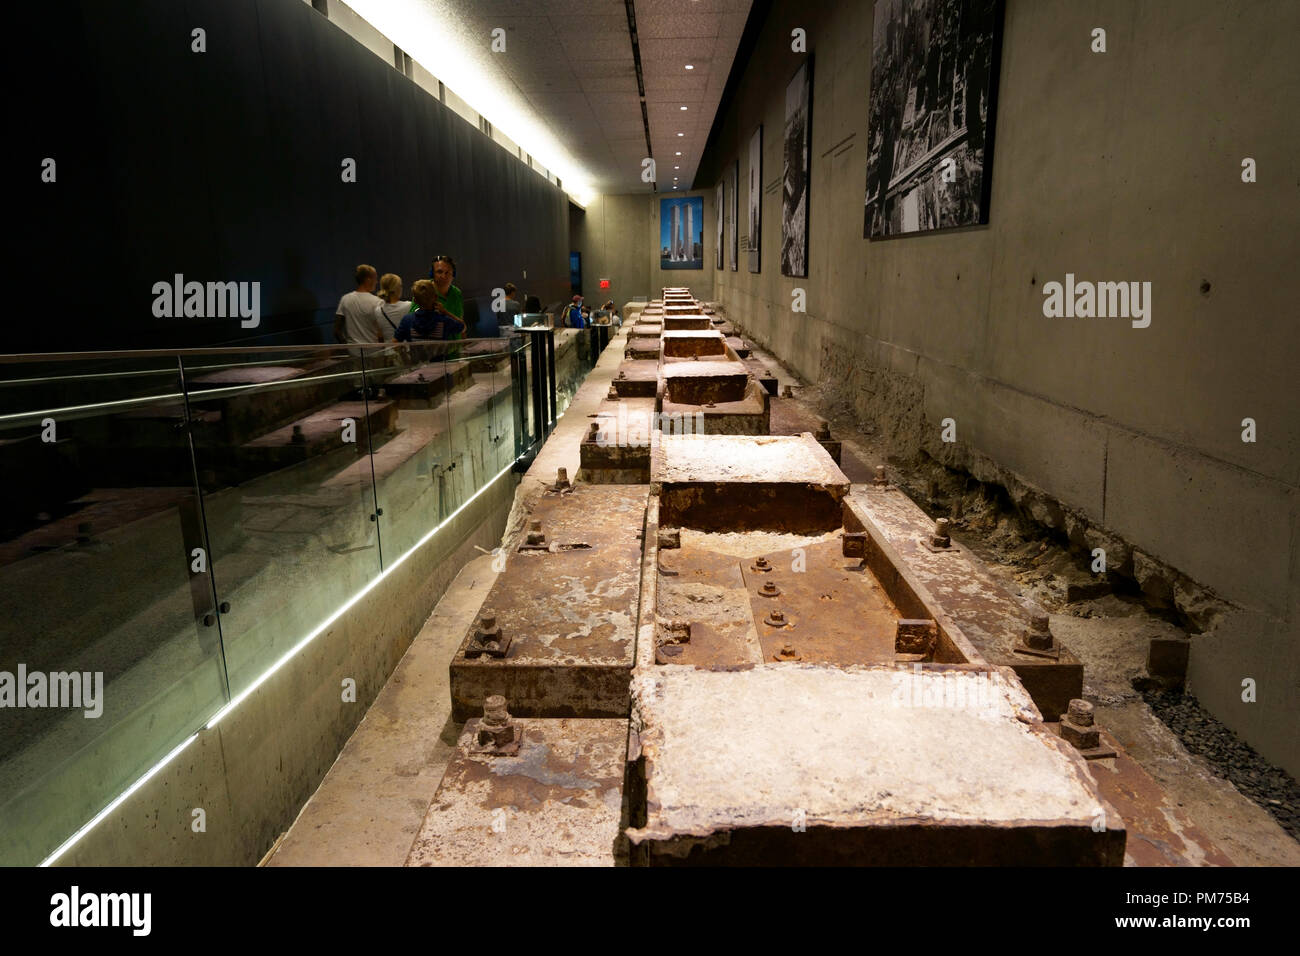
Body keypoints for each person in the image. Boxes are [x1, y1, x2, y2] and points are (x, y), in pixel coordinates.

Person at [393, 279, 466, 342]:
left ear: (415, 301)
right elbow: (462, 327)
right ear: (435, 297)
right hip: (440, 358)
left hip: (417, 358)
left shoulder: (407, 320)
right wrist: (445, 312)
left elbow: (395, 343)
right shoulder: (443, 320)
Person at [334, 264, 383, 344]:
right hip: (374, 351)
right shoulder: (378, 302)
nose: (376, 282)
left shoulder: (345, 299)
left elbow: (337, 331)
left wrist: (347, 347)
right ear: (368, 279)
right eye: (375, 278)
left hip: (354, 353)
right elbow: (381, 333)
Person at [374, 273, 410, 339]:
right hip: (403, 348)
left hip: (387, 348)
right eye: (400, 286)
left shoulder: (378, 310)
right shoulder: (408, 306)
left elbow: (380, 335)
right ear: (397, 288)